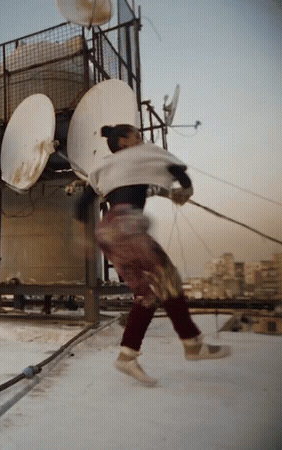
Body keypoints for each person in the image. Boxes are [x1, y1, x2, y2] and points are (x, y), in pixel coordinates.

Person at [75, 124, 230, 386]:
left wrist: (82, 237)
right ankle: (192, 344)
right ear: (123, 141)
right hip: (128, 226)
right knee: (168, 280)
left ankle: (127, 356)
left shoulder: (105, 167)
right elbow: (176, 170)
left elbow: (81, 203)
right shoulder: (144, 153)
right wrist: (186, 189)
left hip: (106, 232)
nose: (141, 138)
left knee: (147, 295)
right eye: (136, 134)